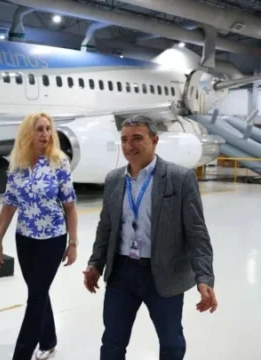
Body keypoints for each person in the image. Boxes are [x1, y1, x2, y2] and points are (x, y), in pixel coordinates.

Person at [83, 115, 218, 360]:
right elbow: (106, 228)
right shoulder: (114, 180)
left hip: (164, 274)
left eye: (137, 138)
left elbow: (197, 233)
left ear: (155, 141)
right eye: (124, 139)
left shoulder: (179, 179)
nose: (128, 146)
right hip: (122, 273)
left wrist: (204, 276)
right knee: (112, 342)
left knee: (172, 342)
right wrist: (95, 264)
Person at [0, 112, 79, 360]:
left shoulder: (59, 162)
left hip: (52, 238)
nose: (45, 134)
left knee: (37, 295)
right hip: (25, 238)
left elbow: (70, 206)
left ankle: (22, 354)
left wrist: (73, 243)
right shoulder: (17, 164)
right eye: (40, 129)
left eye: (48, 129)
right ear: (28, 133)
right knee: (37, 291)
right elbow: (8, 205)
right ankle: (48, 340)